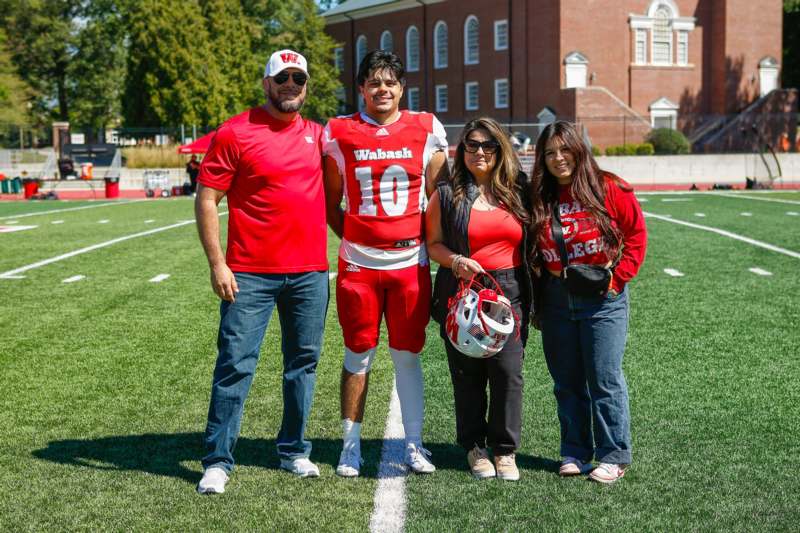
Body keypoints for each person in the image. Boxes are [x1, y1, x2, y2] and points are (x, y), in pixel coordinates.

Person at [195, 49, 329, 494]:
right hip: (249, 274)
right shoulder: (235, 132)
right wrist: (218, 263)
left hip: (310, 273)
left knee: (303, 366)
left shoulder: (319, 135)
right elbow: (207, 199)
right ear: (266, 82)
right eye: (283, 77)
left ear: (306, 85)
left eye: (299, 78)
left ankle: (294, 449)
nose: (291, 85)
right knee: (235, 365)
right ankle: (217, 459)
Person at [322, 50, 449, 477]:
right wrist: (360, 238)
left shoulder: (426, 128)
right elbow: (331, 204)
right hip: (359, 265)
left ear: (401, 88)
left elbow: (439, 197)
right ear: (361, 88)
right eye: (374, 82)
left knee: (407, 357)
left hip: (409, 262)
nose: (382, 89)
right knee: (357, 355)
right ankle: (350, 446)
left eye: (390, 82)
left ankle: (413, 444)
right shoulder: (340, 132)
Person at [528, 121, 647, 484]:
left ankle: (613, 454)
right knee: (566, 381)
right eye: (549, 153)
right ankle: (576, 451)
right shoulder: (540, 195)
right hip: (556, 300)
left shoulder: (608, 187)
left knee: (604, 378)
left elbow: (636, 234)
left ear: (580, 150)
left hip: (602, 300)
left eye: (565, 150)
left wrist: (617, 278)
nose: (558, 158)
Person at [426, 117, 532, 481]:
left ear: (501, 148)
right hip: (464, 291)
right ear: (462, 150)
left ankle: (504, 449)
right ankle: (474, 447)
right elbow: (433, 244)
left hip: (511, 289)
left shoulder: (520, 190)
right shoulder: (446, 194)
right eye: (472, 145)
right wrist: (455, 261)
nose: (480, 152)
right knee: (468, 375)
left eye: (488, 145)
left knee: (507, 374)